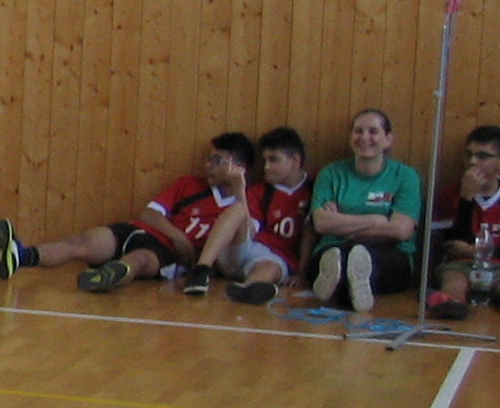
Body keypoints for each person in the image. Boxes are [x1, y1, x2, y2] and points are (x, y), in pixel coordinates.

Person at [0, 134, 254, 294]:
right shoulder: (188, 184)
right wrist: (177, 235)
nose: (208, 165)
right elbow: (149, 214)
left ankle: (106, 278)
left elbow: (247, 240)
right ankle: (19, 256)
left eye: (218, 160)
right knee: (81, 243)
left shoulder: (245, 204)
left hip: (166, 254)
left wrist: (239, 188)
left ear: (239, 167)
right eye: (208, 158)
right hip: (139, 231)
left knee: (136, 260)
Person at [309, 108, 423, 312]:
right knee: (336, 260)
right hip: (334, 248)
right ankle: (344, 283)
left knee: (363, 262)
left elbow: (400, 230)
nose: (364, 138)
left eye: (373, 131)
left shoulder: (405, 176)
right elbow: (321, 223)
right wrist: (376, 220)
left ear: (388, 139)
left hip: (391, 254)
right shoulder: (331, 173)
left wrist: (342, 224)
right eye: (358, 131)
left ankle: (346, 285)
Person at [192, 126, 310, 305]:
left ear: (295, 160)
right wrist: (240, 188)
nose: (266, 167)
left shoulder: (314, 189)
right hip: (242, 248)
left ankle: (249, 289)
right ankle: (201, 271)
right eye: (264, 160)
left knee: (269, 268)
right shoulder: (259, 191)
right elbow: (250, 230)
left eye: (273, 160)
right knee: (238, 210)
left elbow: (311, 231)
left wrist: (302, 273)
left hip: (275, 258)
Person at [425, 124, 500, 321]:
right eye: (468, 155)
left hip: (497, 265)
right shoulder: (448, 194)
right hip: (460, 265)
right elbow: (453, 245)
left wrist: (474, 251)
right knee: (453, 283)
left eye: (483, 156)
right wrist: (467, 198)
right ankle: (451, 304)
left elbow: (464, 247)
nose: (472, 162)